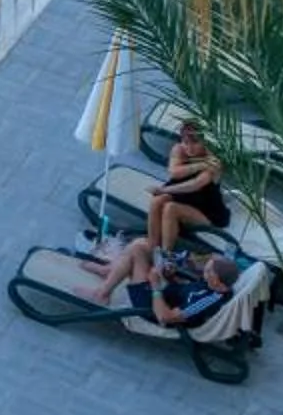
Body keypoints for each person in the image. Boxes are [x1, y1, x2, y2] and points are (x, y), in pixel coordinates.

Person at [89, 237, 242, 327]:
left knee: (136, 251)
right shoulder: (214, 284)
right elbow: (185, 291)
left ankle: (104, 290)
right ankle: (110, 273)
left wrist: (156, 286)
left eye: (209, 272)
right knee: (142, 244)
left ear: (220, 285)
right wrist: (171, 275)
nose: (204, 273)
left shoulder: (206, 300)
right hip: (165, 293)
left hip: (151, 307)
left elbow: (165, 318)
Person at [144, 118, 231, 254]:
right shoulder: (178, 149)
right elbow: (174, 172)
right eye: (186, 142)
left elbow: (195, 185)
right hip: (184, 199)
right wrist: (201, 164)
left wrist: (163, 190)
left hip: (207, 212)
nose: (189, 147)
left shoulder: (214, 161)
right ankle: (152, 246)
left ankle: (166, 256)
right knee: (157, 201)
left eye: (195, 142)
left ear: (205, 141)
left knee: (170, 208)